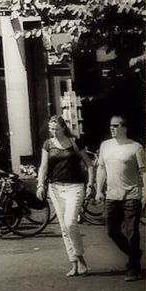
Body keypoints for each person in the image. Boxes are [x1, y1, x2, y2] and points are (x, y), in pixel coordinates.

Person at [36, 115, 96, 277]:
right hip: (56, 188)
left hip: (75, 187)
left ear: (63, 128)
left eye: (56, 129)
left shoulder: (74, 142)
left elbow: (89, 164)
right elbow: (43, 167)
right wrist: (40, 184)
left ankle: (81, 259)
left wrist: (90, 184)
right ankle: (74, 264)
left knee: (70, 223)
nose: (53, 132)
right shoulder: (47, 144)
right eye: (50, 129)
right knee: (63, 226)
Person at [96, 115, 145, 282]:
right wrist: (98, 190)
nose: (112, 128)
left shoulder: (135, 147)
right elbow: (101, 169)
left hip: (131, 194)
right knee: (111, 230)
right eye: (111, 125)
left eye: (115, 126)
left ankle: (133, 267)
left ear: (124, 128)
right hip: (112, 195)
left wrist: (144, 194)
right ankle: (135, 253)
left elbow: (143, 172)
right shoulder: (105, 146)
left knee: (132, 231)